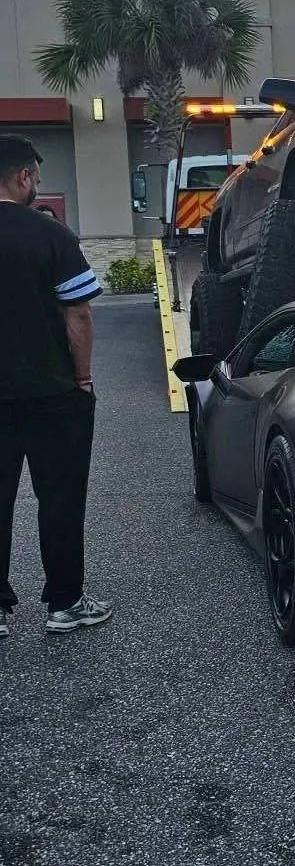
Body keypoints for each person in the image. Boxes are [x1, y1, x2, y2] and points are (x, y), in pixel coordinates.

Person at [0, 135, 112, 637]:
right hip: (52, 393)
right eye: (36, 178)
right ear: (23, 177)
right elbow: (79, 313)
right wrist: (82, 378)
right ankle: (64, 604)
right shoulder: (51, 236)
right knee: (61, 497)